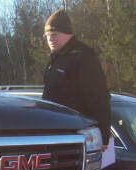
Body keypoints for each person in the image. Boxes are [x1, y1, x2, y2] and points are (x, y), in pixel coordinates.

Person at [42, 10, 111, 152]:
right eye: (47, 36)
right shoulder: (54, 61)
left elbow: (98, 96)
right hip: (55, 132)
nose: (50, 39)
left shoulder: (83, 56)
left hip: (78, 133)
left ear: (68, 34)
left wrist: (103, 134)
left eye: (54, 34)